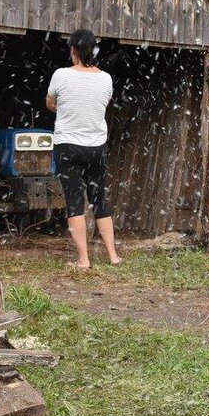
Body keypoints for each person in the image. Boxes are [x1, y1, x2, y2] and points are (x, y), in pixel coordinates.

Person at [46, 28, 123, 269]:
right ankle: (113, 255)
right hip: (96, 147)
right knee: (100, 198)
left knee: (74, 201)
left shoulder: (61, 75)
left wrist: (66, 109)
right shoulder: (106, 78)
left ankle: (84, 259)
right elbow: (102, 104)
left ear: (74, 51)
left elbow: (50, 103)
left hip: (68, 146)